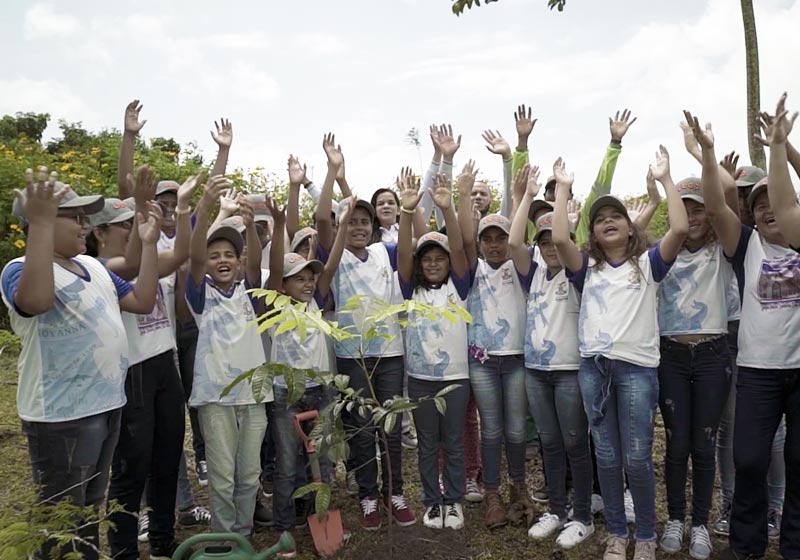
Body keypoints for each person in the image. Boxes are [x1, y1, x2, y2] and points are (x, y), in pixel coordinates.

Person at [1, 168, 160, 560]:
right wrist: (38, 224)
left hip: (105, 406)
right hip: (62, 418)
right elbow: (36, 303)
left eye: (84, 216)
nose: (84, 224)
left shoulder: (95, 268)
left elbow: (141, 302)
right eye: (71, 215)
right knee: (60, 521)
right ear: (38, 221)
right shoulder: (20, 269)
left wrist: (150, 244)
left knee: (89, 508)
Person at [551, 149, 688, 560]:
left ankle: (645, 533)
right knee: (607, 457)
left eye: (616, 217)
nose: (608, 220)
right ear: (592, 234)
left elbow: (679, 228)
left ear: (631, 231)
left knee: (637, 457)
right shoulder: (585, 269)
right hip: (594, 371)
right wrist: (560, 189)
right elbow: (559, 238)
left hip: (637, 373)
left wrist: (665, 180)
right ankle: (616, 532)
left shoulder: (647, 265)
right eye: (599, 219)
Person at [690, 99, 799, 559]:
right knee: (749, 459)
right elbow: (717, 208)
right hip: (758, 370)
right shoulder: (747, 246)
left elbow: (789, 198)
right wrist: (709, 156)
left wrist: (781, 148)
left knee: (798, 462)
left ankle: (793, 546)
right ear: (752, 216)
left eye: (773, 201)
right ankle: (746, 545)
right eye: (758, 205)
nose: (768, 208)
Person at [314, 133, 415, 531]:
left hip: (388, 353)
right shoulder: (334, 258)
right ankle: (369, 497)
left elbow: (406, 254)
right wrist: (333, 172)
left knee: (389, 424)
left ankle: (395, 492)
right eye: (351, 221)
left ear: (374, 226)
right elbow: (324, 220)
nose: (357, 227)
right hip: (351, 355)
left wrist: (406, 213)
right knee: (359, 427)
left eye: (364, 221)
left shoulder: (383, 253)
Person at [100, 166, 201, 560]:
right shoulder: (106, 268)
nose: (132, 229)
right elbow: (133, 262)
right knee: (132, 467)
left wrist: (187, 207)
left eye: (133, 222)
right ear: (101, 233)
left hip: (164, 361)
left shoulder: (145, 255)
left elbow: (179, 254)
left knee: (168, 454)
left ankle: (163, 541)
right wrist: (143, 207)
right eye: (123, 223)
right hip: (134, 371)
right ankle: (124, 550)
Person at [509, 165, 594, 549]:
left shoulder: (578, 271)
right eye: (542, 242)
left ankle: (582, 516)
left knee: (576, 442)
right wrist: (525, 196)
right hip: (536, 372)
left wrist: (563, 189)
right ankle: (557, 510)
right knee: (549, 443)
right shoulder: (534, 273)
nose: (549, 248)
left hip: (569, 373)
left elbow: (562, 236)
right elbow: (514, 245)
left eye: (555, 242)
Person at [265, 196, 353, 556]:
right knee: (287, 468)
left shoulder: (316, 299)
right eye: (296, 279)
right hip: (287, 395)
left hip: (322, 392)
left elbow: (330, 264)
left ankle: (325, 518)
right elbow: (272, 272)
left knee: (325, 467)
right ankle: (284, 530)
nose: (305, 283)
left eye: (308, 277)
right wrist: (280, 223)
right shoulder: (275, 303)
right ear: (282, 285)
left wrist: (343, 224)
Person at [655, 172, 735, 559]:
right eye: (683, 208)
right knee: (677, 443)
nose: (691, 217)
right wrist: (664, 186)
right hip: (670, 355)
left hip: (712, 355)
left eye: (698, 208)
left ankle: (700, 523)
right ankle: (674, 518)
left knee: (704, 444)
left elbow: (728, 201)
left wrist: (700, 152)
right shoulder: (662, 252)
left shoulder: (722, 249)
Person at [185, 175, 270, 537]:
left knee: (249, 474)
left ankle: (244, 534)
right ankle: (223, 539)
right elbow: (193, 255)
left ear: (239, 261)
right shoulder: (199, 296)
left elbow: (254, 262)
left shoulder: (249, 292)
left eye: (229, 256)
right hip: (215, 398)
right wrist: (214, 212)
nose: (222, 261)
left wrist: (248, 226)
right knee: (221, 476)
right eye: (214, 255)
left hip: (254, 396)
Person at [454, 159, 529, 528]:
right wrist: (464, 194)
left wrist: (516, 186)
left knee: (516, 429)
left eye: (501, 237)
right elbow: (464, 239)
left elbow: (517, 228)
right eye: (489, 239)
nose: (496, 244)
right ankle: (493, 493)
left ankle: (519, 487)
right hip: (481, 361)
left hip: (516, 359)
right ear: (481, 243)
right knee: (493, 428)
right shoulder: (473, 270)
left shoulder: (522, 266)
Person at [397, 172, 471, 530]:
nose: (432, 263)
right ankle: (432, 501)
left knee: (453, 442)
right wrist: (407, 212)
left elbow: (458, 247)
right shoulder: (412, 291)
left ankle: (454, 501)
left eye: (438, 258)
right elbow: (403, 259)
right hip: (421, 380)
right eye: (425, 258)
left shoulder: (460, 287)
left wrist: (447, 206)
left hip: (456, 378)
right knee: (427, 444)